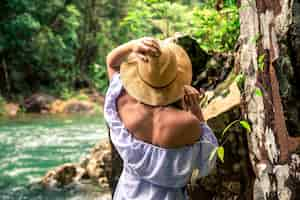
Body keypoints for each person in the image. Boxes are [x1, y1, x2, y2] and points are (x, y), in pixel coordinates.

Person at [104, 37, 218, 200]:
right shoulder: (187, 123)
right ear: (177, 77)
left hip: (127, 193)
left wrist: (134, 46)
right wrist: (196, 110)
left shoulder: (121, 101)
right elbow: (208, 159)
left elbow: (111, 62)